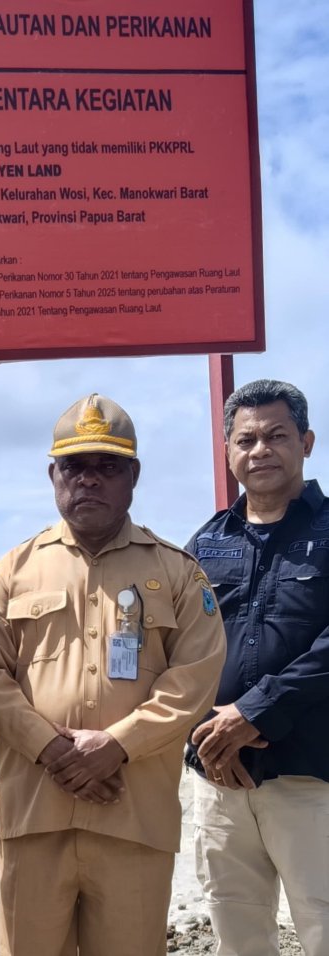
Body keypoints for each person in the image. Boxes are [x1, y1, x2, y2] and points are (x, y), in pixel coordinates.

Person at [0, 393, 227, 956]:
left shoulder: (176, 572)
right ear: (52, 475)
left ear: (133, 476)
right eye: (75, 466)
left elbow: (196, 675)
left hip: (132, 815)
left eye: (108, 466)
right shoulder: (12, 571)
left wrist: (116, 746)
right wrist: (51, 749)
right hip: (34, 815)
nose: (89, 480)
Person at [185, 379, 329, 956]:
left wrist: (257, 710)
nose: (261, 450)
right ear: (228, 453)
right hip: (219, 780)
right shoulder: (204, 543)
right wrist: (204, 739)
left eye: (277, 436)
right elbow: (178, 647)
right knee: (237, 935)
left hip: (310, 777)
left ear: (307, 442)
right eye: (246, 440)